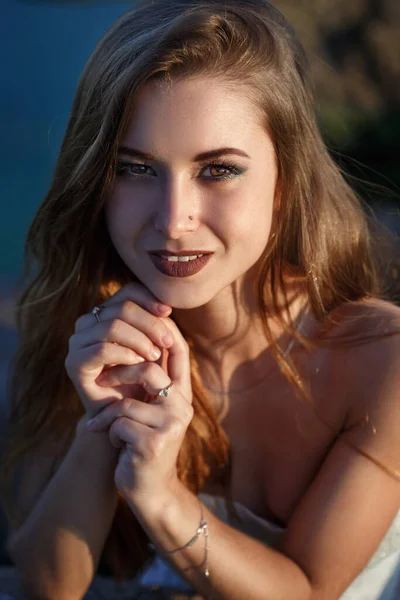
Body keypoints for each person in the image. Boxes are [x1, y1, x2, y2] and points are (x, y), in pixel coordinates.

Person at [1, 0, 399, 598]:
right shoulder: (92, 331)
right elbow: (46, 585)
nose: (173, 219)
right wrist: (103, 419)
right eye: (136, 169)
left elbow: (308, 590)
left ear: (284, 184)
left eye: (217, 171)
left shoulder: (381, 359)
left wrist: (158, 495)